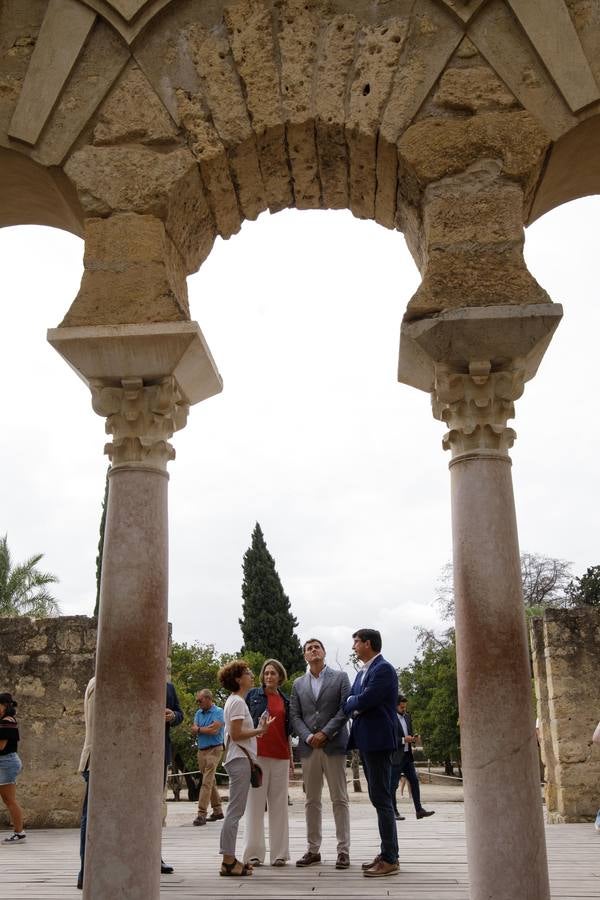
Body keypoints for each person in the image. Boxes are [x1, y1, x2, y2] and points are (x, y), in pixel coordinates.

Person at [290, 637, 351, 870]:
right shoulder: (298, 683)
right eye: (309, 648)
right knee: (311, 800)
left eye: (317, 647)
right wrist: (307, 736)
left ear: (324, 652)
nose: (313, 650)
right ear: (305, 655)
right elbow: (294, 715)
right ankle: (313, 850)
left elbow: (345, 708)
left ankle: (343, 850)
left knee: (340, 799)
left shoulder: (341, 678)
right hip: (308, 748)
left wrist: (325, 733)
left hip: (333, 745)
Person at [344, 628, 399, 878]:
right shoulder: (365, 670)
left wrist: (355, 703)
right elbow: (350, 700)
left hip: (378, 741)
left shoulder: (383, 669)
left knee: (382, 799)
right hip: (367, 741)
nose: (354, 647)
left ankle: (390, 858)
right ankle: (387, 852)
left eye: (356, 642)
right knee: (378, 798)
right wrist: (355, 703)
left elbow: (362, 700)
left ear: (367, 643)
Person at [218, 660, 273, 877]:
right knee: (235, 811)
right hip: (240, 760)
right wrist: (260, 729)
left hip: (237, 758)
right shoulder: (238, 703)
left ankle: (229, 858)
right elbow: (236, 734)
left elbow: (236, 732)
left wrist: (257, 729)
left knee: (235, 810)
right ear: (238, 679)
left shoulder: (233, 701)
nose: (252, 675)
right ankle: (228, 861)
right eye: (248, 673)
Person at [242, 658, 293, 867]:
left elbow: (287, 731)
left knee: (279, 806)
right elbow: (243, 723)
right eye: (266, 673)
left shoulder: (286, 701)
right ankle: (253, 854)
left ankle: (280, 854)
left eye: (273, 673)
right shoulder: (252, 696)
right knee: (254, 805)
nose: (269, 676)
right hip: (258, 756)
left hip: (280, 757)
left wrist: (290, 758)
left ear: (280, 676)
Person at [391, 695, 434, 821]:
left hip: (407, 756)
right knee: (392, 786)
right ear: (395, 705)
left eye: (405, 706)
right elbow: (389, 738)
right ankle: (394, 812)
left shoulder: (408, 717)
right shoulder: (390, 718)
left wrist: (414, 739)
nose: (404, 709)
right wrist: (404, 740)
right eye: (402, 706)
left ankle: (419, 810)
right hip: (395, 757)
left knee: (414, 781)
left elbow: (409, 734)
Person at [191, 689, 224, 826]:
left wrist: (199, 729)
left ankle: (201, 814)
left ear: (209, 699)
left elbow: (214, 731)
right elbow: (193, 729)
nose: (198, 703)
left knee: (206, 782)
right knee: (210, 781)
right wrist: (205, 729)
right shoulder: (198, 713)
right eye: (197, 701)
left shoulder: (219, 712)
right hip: (201, 750)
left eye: (200, 700)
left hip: (214, 749)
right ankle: (218, 811)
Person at [77, 676, 95, 889]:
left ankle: (87, 872)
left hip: (96, 761)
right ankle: (88, 871)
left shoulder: (95, 681)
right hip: (99, 762)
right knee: (90, 818)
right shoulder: (102, 682)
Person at [163, 678, 183, 874]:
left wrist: (173, 716)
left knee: (155, 806)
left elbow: (180, 714)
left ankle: (154, 855)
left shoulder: (169, 687)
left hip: (160, 753)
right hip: (134, 752)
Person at [0, 692, 25, 844]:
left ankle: (19, 833)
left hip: (6, 762)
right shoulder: (4, 720)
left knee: (9, 800)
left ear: (4, 705)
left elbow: (1, 746)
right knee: (9, 799)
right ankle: (19, 832)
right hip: (6, 762)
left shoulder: (6, 721)